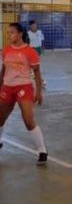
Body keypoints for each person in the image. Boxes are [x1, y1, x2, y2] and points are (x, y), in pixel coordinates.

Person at [0, 23, 47, 164]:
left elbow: (37, 73)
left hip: (24, 88)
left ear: (20, 33)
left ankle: (42, 150)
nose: (10, 35)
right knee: (0, 119)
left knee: (28, 120)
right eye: (8, 33)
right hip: (7, 88)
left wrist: (38, 92)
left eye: (12, 32)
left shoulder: (30, 51)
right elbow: (3, 70)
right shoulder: (6, 50)